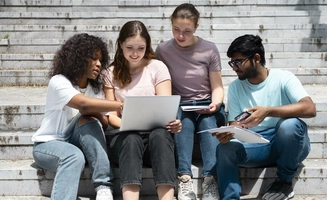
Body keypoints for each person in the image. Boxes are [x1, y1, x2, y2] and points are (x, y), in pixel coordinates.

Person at [212, 34, 317, 200]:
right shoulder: (235, 87)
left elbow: (310, 108)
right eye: (232, 63)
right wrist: (229, 133)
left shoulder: (283, 78)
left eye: (238, 62)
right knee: (225, 149)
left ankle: (283, 182)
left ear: (256, 58)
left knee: (289, 125)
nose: (234, 67)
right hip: (256, 146)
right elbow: (234, 123)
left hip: (289, 145)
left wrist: (268, 111)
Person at [31, 33, 122, 200]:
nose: (99, 64)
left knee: (89, 120)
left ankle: (103, 187)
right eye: (93, 59)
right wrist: (121, 105)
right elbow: (83, 104)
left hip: (75, 141)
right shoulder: (59, 82)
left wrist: (92, 113)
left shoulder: (96, 89)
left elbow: (105, 123)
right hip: (48, 145)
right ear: (78, 58)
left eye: (101, 60)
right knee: (73, 155)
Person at [102, 20, 182, 200]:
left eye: (141, 48)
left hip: (155, 140)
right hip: (124, 139)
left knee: (161, 135)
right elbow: (111, 117)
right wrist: (128, 124)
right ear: (120, 44)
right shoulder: (111, 73)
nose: (135, 53)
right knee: (131, 139)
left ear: (147, 46)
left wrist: (173, 123)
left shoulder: (157, 67)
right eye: (129, 47)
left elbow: (165, 108)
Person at [155, 3, 226, 200]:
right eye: (176, 30)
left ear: (196, 27)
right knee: (182, 120)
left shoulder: (209, 49)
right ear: (171, 24)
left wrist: (216, 103)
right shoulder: (162, 50)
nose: (180, 36)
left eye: (187, 31)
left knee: (208, 122)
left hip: (206, 102)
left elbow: (217, 86)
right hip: (179, 104)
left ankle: (210, 180)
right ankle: (184, 178)